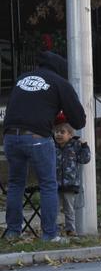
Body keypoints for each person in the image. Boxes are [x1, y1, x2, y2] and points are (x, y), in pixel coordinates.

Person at [2, 51, 86, 243]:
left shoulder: (22, 78)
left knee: (15, 184)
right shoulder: (60, 83)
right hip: (36, 138)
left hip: (10, 137)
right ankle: (50, 235)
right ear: (60, 69)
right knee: (48, 185)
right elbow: (78, 120)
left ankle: (13, 232)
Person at [53, 114, 91, 235]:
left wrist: (85, 147)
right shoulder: (53, 147)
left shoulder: (75, 146)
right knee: (54, 208)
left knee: (69, 208)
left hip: (70, 183)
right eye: (56, 132)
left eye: (62, 132)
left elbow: (84, 159)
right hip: (55, 183)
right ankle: (53, 229)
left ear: (70, 135)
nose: (58, 134)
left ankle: (70, 229)